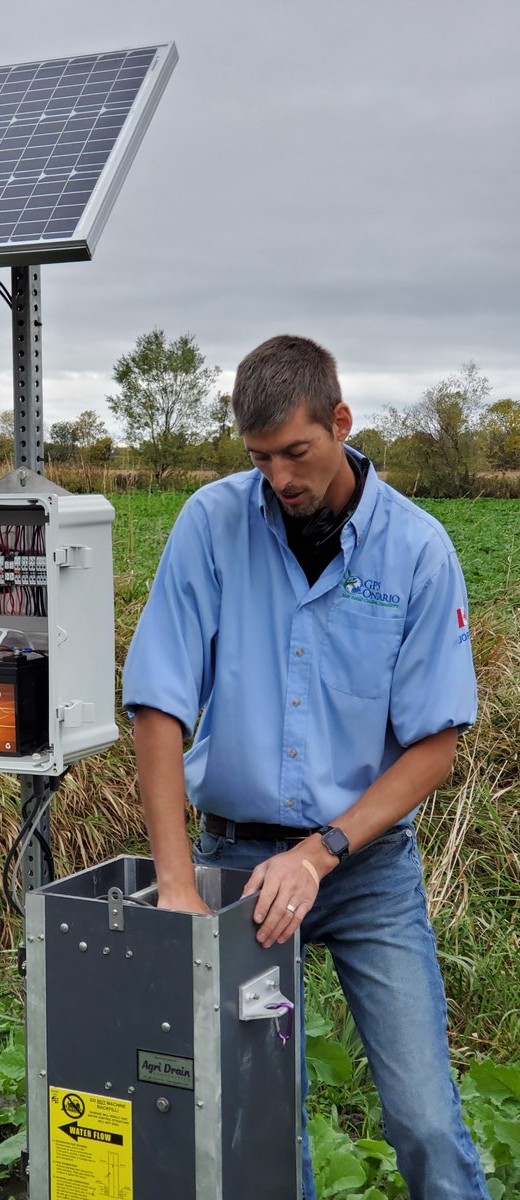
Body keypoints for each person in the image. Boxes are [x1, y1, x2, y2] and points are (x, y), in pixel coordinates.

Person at [122, 335, 487, 1200]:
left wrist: (323, 850)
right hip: (239, 868)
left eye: (297, 452)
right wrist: (178, 883)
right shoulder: (211, 523)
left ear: (340, 423)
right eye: (260, 459)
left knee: (426, 1119)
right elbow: (158, 703)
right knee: (254, 1120)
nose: (281, 479)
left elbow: (436, 743)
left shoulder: (417, 551)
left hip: (363, 867)